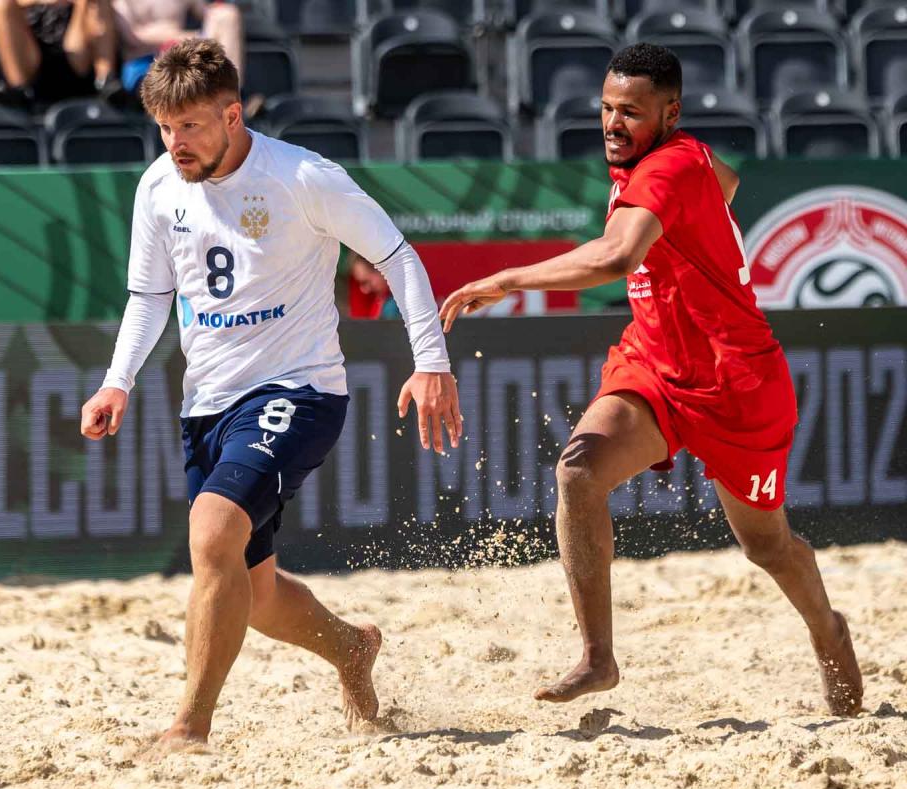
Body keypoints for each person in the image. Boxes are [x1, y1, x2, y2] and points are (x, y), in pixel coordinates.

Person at [440, 43, 863, 716]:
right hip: (655, 363)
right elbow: (728, 182)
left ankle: (828, 630)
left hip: (735, 381)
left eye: (631, 112)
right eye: (607, 108)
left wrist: (508, 278)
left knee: (768, 547)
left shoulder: (667, 165)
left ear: (670, 114)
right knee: (578, 474)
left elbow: (617, 256)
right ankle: (598, 658)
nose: (613, 123)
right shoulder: (679, 156)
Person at [79, 39, 461, 748]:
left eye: (189, 126)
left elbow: (397, 256)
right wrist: (116, 381)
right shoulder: (159, 186)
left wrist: (431, 360)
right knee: (253, 593)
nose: (175, 143)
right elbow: (149, 296)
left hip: (299, 388)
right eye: (164, 128)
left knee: (212, 533)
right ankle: (351, 647)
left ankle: (189, 726)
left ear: (232, 115)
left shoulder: (302, 177)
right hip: (208, 401)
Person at [0, 0, 120, 105]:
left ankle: (105, 82)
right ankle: (18, 90)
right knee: (0, 4)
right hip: (28, 44)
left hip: (74, 47)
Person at [111, 0, 244, 93]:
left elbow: (207, 13)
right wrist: (183, 37)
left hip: (182, 56)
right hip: (142, 62)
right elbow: (132, 37)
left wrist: (220, 15)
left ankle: (231, 92)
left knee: (227, 15)